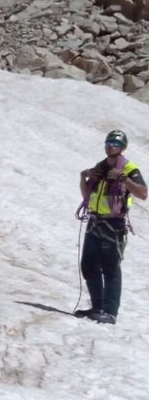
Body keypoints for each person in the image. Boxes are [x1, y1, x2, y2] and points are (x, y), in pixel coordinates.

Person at [74, 130, 146, 324]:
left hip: (114, 224)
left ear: (123, 148)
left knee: (111, 267)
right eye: (109, 142)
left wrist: (124, 179)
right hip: (95, 221)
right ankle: (98, 307)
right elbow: (88, 195)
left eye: (115, 143)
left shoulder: (130, 168)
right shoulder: (101, 167)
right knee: (88, 264)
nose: (111, 145)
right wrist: (84, 177)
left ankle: (110, 312)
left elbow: (143, 193)